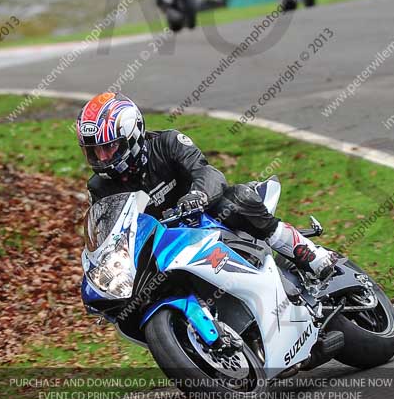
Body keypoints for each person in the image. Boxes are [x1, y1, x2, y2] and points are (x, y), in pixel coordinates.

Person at [76, 92, 341, 284]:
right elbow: (110, 234)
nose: (102, 158)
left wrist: (197, 195)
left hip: (207, 220)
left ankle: (306, 252)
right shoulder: (99, 187)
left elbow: (206, 172)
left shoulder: (167, 143)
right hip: (164, 248)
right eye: (94, 151)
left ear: (132, 136)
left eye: (109, 147)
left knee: (235, 199)